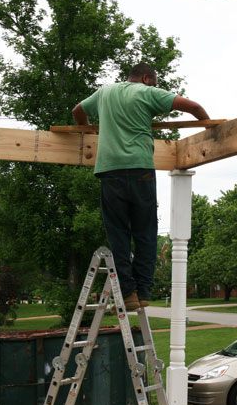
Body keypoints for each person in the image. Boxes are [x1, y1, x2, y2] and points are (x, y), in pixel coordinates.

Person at [73, 63, 210, 310]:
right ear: (146, 78)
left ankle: (128, 294)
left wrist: (88, 132)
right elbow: (194, 107)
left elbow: (77, 111)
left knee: (118, 235)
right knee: (145, 232)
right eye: (154, 81)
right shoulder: (148, 93)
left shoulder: (105, 92)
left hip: (110, 172)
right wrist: (208, 126)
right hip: (140, 171)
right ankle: (144, 292)